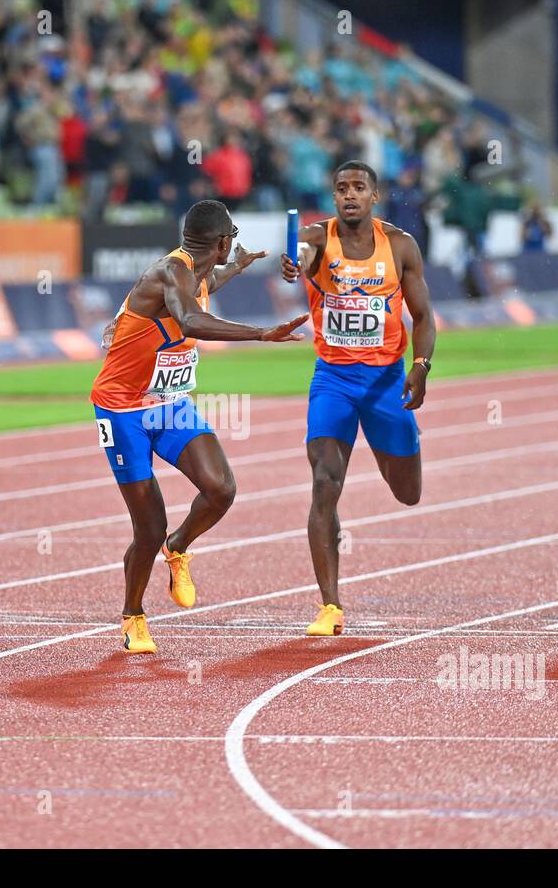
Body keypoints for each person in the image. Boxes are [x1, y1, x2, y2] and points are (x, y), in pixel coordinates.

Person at [90, 199, 308, 654]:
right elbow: (190, 318)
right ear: (223, 240)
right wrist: (261, 333)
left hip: (169, 404)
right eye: (234, 237)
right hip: (123, 409)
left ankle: (180, 546)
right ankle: (133, 616)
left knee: (221, 488)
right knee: (147, 526)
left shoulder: (195, 271)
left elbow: (206, 284)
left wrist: (239, 268)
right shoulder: (170, 272)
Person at [280, 161, 436, 637]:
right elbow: (302, 256)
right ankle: (331, 605)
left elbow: (424, 316)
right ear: (334, 197)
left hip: (386, 381)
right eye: (341, 188)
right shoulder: (315, 236)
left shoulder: (401, 246)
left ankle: (408, 440)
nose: (349, 195)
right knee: (325, 480)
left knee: (407, 494)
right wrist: (297, 264)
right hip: (333, 381)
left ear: (374, 196)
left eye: (358, 188)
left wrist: (421, 367)